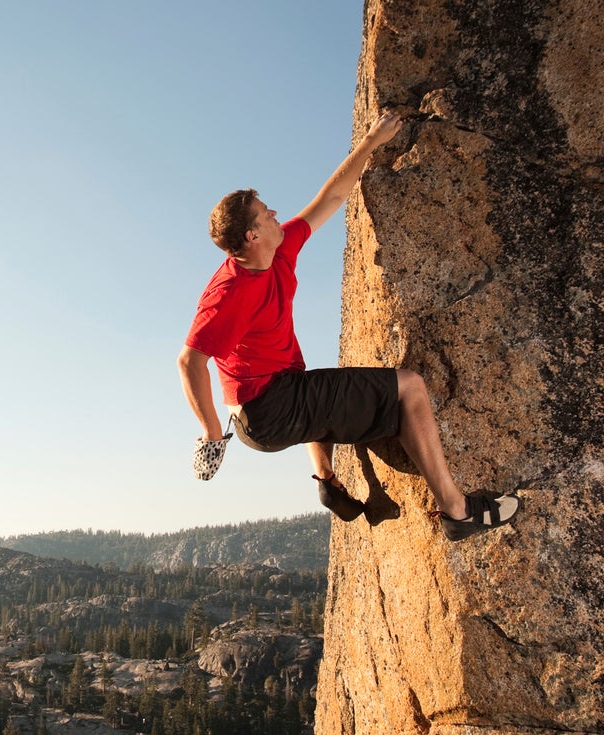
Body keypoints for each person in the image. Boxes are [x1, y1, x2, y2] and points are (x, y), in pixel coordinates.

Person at [177, 112, 520, 541]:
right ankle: (459, 511)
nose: (276, 214)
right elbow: (190, 361)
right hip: (268, 413)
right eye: (266, 214)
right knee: (410, 386)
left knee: (317, 389)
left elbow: (332, 197)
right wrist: (211, 435)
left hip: (271, 399)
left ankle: (326, 480)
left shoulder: (279, 249)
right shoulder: (230, 291)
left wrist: (371, 142)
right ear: (251, 237)